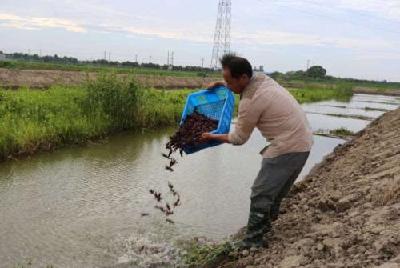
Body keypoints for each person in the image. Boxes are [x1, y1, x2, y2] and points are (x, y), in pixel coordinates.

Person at [202, 54, 313, 249]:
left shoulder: (251, 100)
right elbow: (239, 82)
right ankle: (266, 228)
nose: (227, 84)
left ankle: (253, 241)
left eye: (229, 81)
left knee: (261, 194)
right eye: (225, 79)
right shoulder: (262, 79)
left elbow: (239, 139)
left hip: (287, 147)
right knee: (275, 192)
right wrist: (221, 84)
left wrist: (212, 137)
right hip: (303, 143)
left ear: (243, 78)